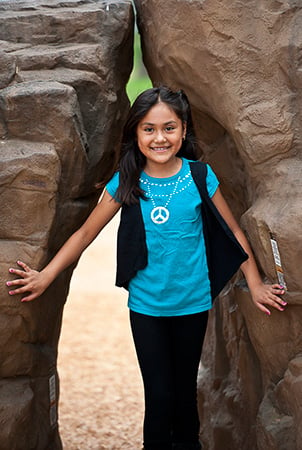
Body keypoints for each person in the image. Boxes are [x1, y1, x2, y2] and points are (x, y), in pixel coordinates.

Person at [6, 86, 286, 450]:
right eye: (149, 129)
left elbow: (232, 229)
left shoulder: (200, 176)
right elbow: (87, 231)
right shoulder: (128, 181)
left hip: (193, 303)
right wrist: (46, 275)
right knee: (159, 398)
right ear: (136, 133)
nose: (160, 137)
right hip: (147, 307)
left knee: (185, 399)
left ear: (183, 130)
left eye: (169, 128)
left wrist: (256, 282)